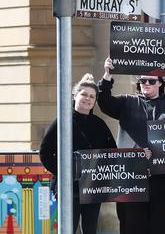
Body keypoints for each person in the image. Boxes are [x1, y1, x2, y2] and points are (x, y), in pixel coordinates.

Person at [98, 56, 165, 234]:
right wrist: (107, 74)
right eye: (143, 80)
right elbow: (104, 102)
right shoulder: (127, 102)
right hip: (131, 177)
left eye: (151, 81)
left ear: (160, 83)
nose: (146, 83)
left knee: (164, 224)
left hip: (162, 178)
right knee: (132, 226)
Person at [40, 73, 117, 234]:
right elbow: (46, 153)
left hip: (92, 186)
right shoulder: (61, 121)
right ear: (75, 96)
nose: (88, 99)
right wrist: (65, 173)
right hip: (69, 186)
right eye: (84, 94)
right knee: (69, 228)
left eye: (92, 96)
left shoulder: (99, 124)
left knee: (90, 228)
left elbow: (112, 153)